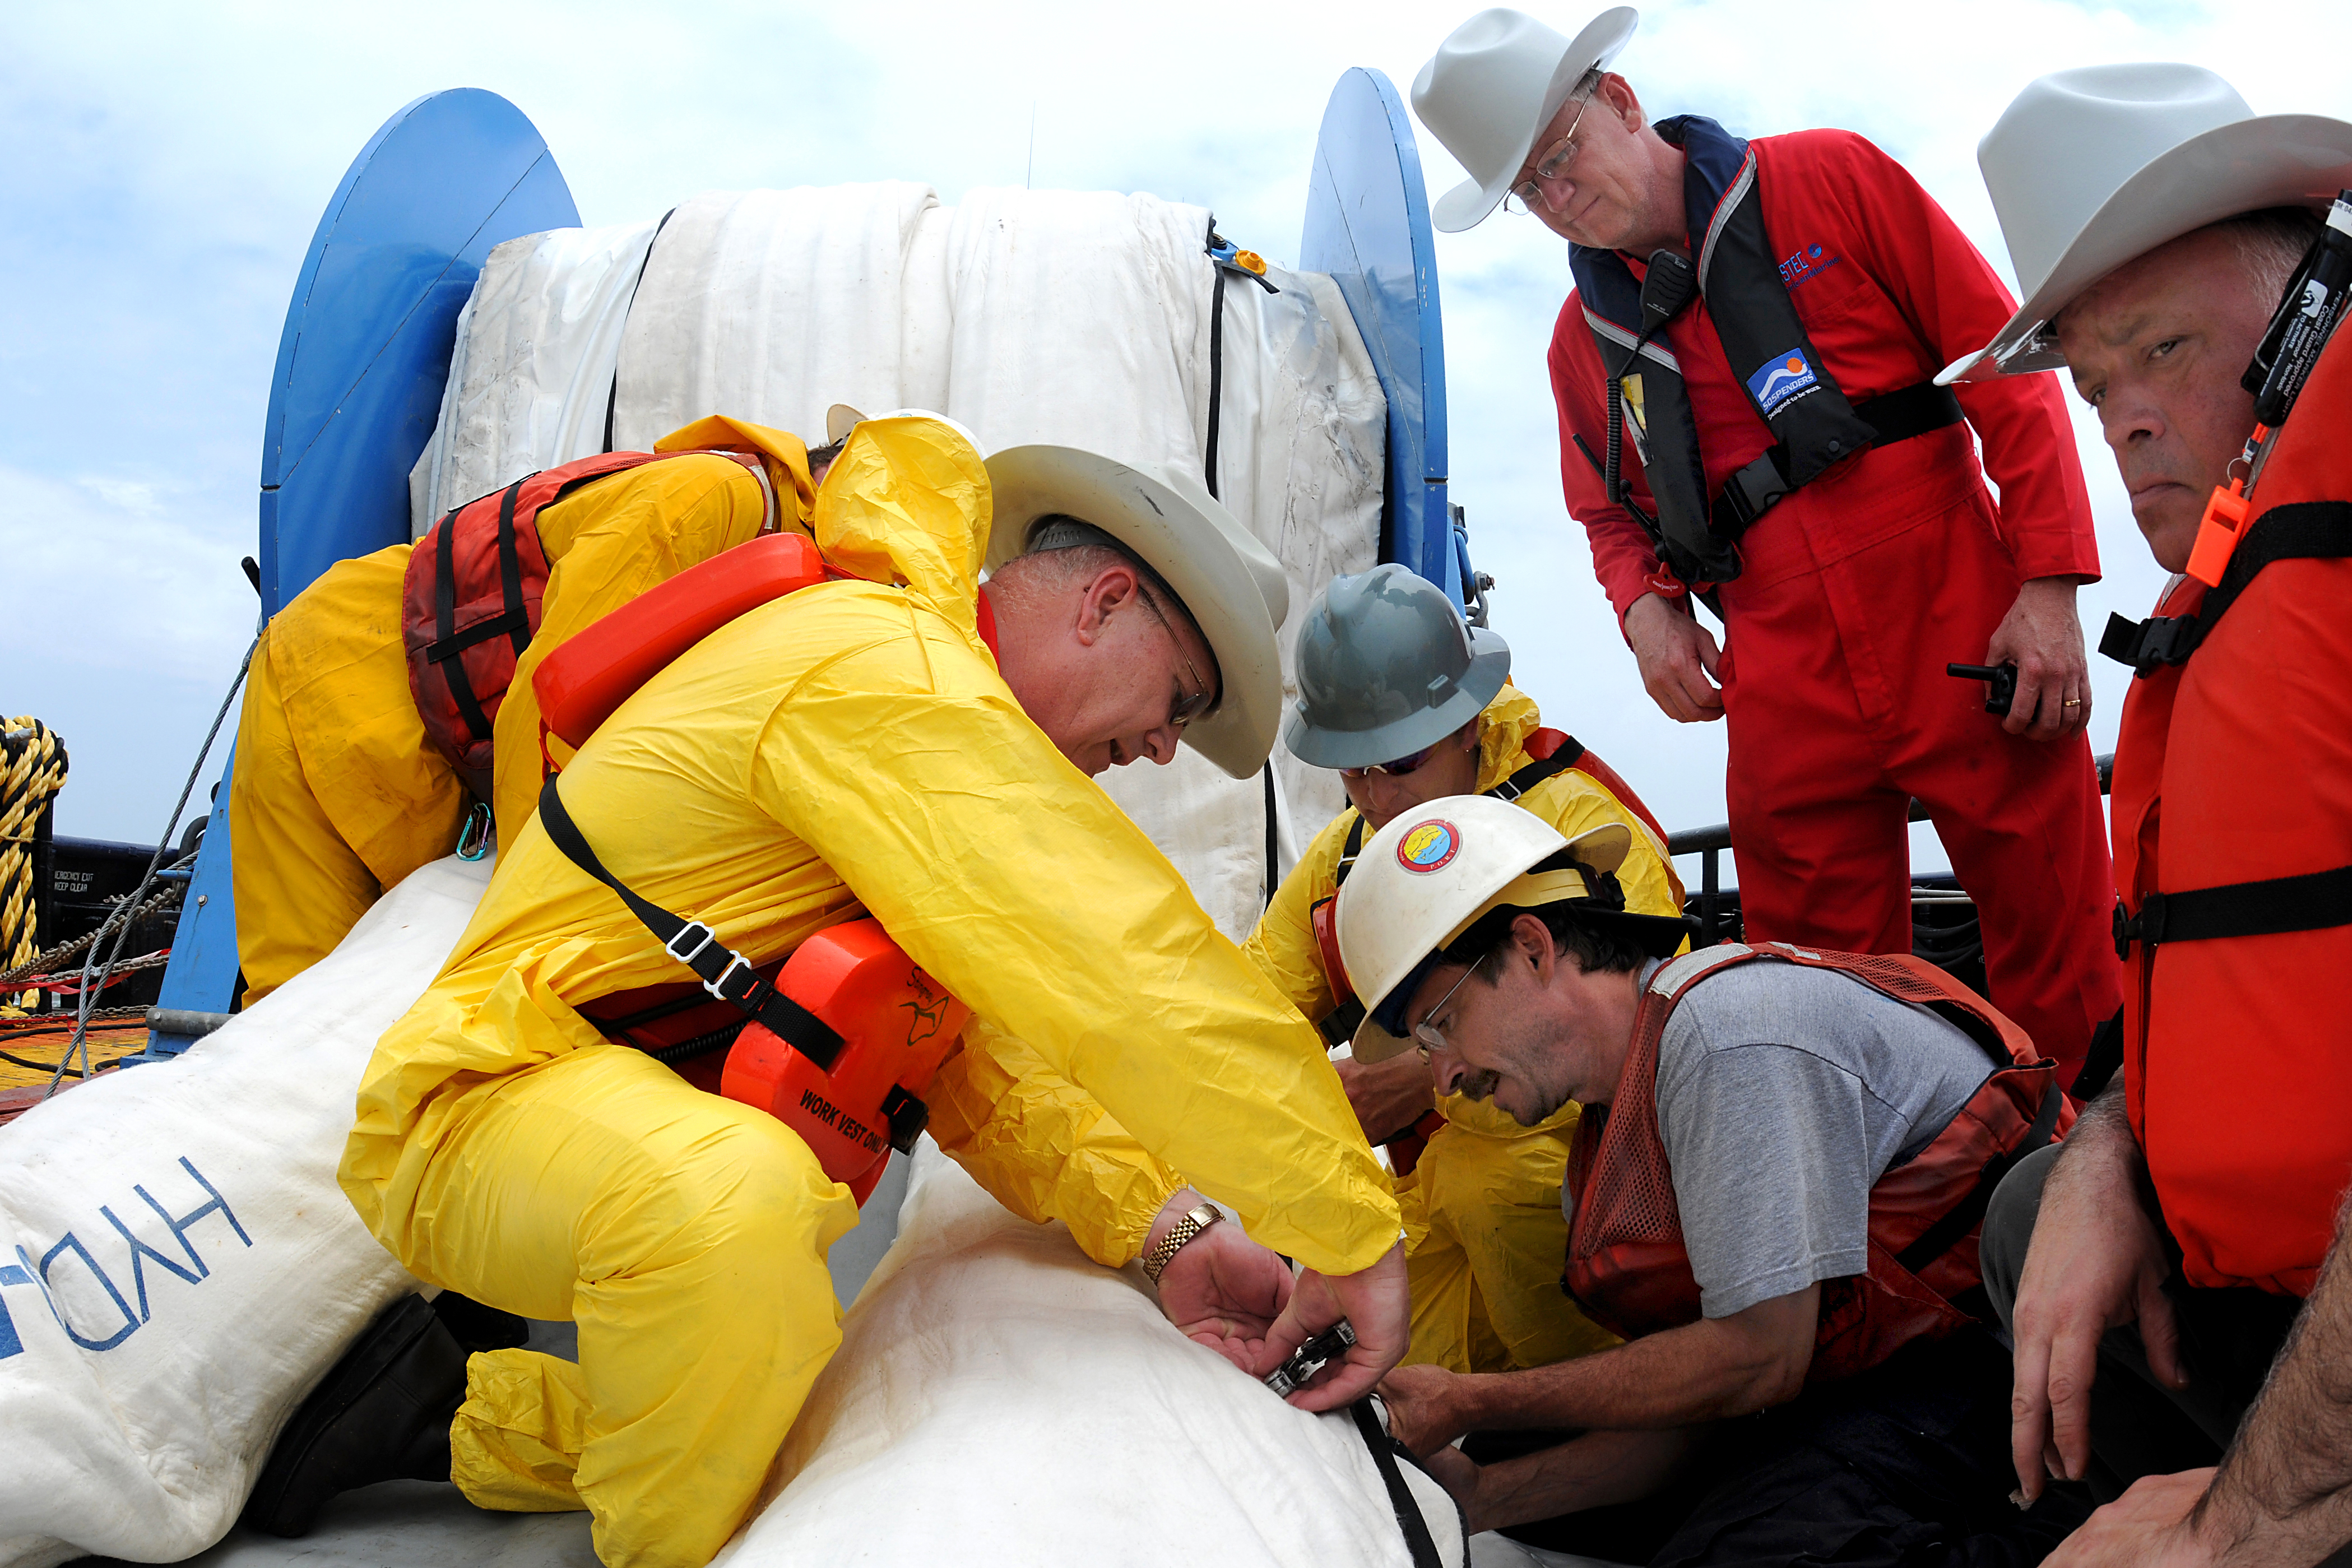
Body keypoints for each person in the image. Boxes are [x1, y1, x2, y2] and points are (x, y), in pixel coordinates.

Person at [245, 416, 1408, 1568]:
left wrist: (1170, 1234)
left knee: (769, 1344)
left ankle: (449, 1413)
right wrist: (1343, 1220)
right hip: (486, 1106)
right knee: (739, 1210)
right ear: (1103, 602)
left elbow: (988, 1068)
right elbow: (1125, 969)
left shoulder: (919, 735)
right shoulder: (884, 671)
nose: (1163, 749)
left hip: (610, 1123)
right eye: (1182, 699)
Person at [1409, 7, 2120, 1083]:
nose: (1560, 200)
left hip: (1958, 609)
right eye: (1530, 192)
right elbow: (1605, 515)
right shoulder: (1576, 347)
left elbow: (2002, 368)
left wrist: (2052, 582)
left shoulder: (1833, 178)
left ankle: (2103, 1185)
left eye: (1560, 157)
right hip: (1778, 671)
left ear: (1618, 101)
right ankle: (1904, 1233)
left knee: (2056, 928)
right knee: (1821, 997)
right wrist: (1647, 613)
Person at [1945, 65, 2352, 1565]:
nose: (2123, 423)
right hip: (2281, 1275)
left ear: (2316, 302)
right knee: (2034, 1207)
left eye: (2162, 349)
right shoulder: (2233, 596)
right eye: (2089, 382)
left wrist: (2241, 1523)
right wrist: (2121, 1144)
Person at [1342, 793, 2082, 1564]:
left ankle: (2100, 1535)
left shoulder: (1721, 1036)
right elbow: (1703, 1409)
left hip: (2002, 1359)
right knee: (1508, 1447)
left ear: (1532, 947)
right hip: (1853, 1375)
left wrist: (1469, 1397)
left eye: (1441, 1024)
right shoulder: (1603, 1150)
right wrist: (1486, 1496)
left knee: (1738, 1551)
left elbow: (1760, 1358)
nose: (1442, 1073)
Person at [227, 411, 852, 1003]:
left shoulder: (792, 572)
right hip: (333, 664)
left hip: (424, 749)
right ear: (836, 483)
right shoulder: (709, 495)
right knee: (292, 1003)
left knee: (367, 1017)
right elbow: (552, 698)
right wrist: (534, 919)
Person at [1244, 561, 1680, 1377]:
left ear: (1468, 723)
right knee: (1394, 1373)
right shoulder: (1340, 865)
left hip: (1589, 1173)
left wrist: (1422, 1073)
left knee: (1490, 1186)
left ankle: (1627, 1419)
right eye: (1351, 768)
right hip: (1435, 1186)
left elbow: (1660, 1044)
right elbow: (1242, 1010)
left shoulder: (1572, 823)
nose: (1376, 797)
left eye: (1399, 763)